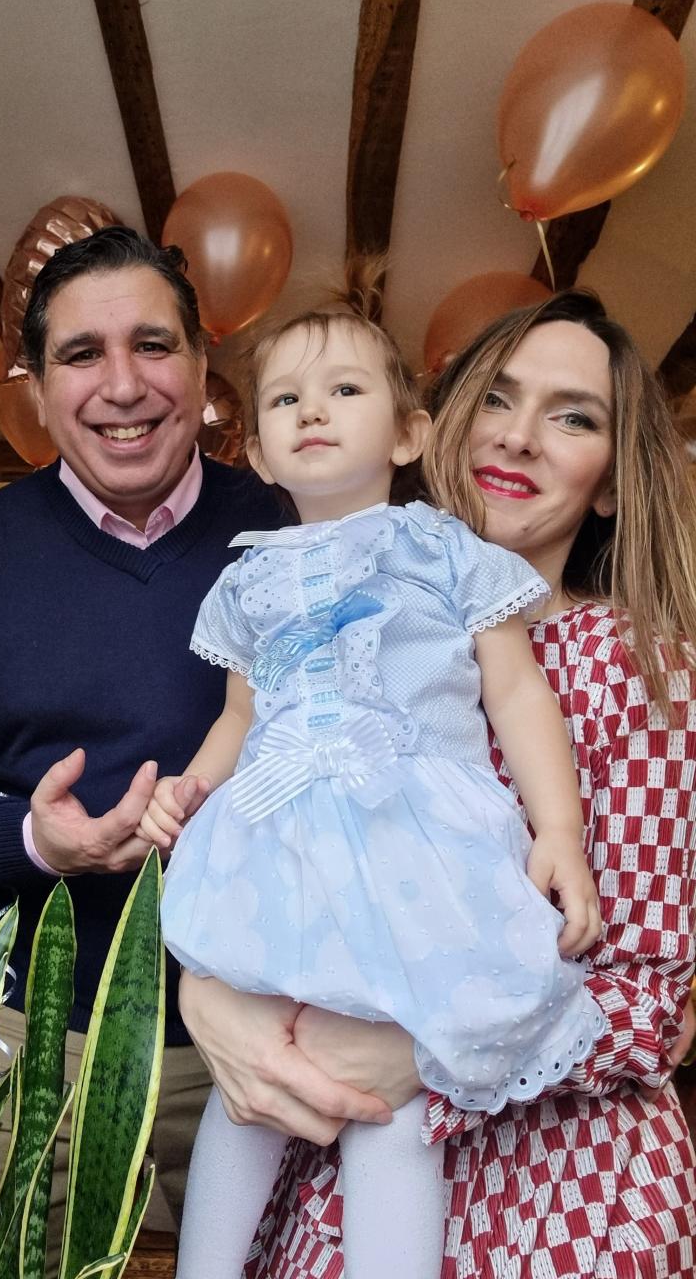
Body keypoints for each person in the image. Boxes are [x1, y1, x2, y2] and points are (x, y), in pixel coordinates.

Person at [177, 289, 696, 1279]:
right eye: (499, 397)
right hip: (325, 1169)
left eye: (574, 415)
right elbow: (266, 824)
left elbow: (649, 999)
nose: (522, 437)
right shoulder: (323, 609)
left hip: (557, 1201)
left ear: (612, 483)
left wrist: (420, 1052)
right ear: (443, 424)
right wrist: (214, 998)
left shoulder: (636, 663)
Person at [0, 226, 332, 1259]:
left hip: (278, 1042)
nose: (123, 384)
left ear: (204, 366)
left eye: (153, 345)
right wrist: (35, 839)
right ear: (34, 385)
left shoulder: (301, 526)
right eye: (81, 354)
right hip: (43, 1058)